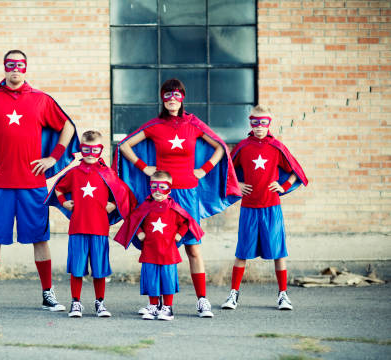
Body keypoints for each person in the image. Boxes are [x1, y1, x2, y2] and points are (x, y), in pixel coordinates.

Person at [0, 49, 79, 312]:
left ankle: (47, 293)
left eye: (20, 65)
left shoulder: (41, 100)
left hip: (33, 183)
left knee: (40, 239)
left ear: (26, 68)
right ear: (4, 68)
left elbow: (68, 126)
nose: (15, 69)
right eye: (11, 65)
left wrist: (53, 157)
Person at [113, 78, 241, 318]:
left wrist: (203, 170)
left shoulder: (193, 124)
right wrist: (143, 167)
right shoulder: (155, 125)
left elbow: (221, 147)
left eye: (177, 95)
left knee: (193, 248)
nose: (172, 99)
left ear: (183, 98)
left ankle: (202, 300)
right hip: (160, 196)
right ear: (162, 98)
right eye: (167, 95)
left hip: (188, 193)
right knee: (157, 247)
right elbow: (124, 146)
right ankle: (158, 304)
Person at [221, 105, 308, 311]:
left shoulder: (276, 147)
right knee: (242, 252)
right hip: (249, 208)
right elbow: (227, 171)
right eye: (255, 122)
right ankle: (233, 294)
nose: (259, 126)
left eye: (264, 122)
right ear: (250, 123)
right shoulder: (243, 146)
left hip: (271, 208)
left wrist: (284, 186)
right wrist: (237, 185)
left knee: (278, 252)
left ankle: (283, 295)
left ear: (269, 123)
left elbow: (296, 170)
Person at [45, 130, 135, 318]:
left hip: (100, 229)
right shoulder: (74, 173)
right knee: (77, 268)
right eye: (86, 149)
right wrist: (63, 202)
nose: (90, 154)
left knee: (99, 269)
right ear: (81, 150)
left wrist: (113, 204)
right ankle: (75, 302)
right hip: (78, 228)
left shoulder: (107, 173)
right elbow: (59, 189)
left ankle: (100, 303)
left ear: (100, 150)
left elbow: (122, 193)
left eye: (94, 150)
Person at [114, 171, 204, 320]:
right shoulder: (146, 206)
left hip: (169, 252)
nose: (158, 191)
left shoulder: (174, 207)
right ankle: (154, 306)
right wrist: (140, 232)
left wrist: (180, 234)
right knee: (151, 279)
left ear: (169, 189)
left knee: (167, 279)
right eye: (154, 186)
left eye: (162, 187)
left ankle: (167, 308)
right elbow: (134, 220)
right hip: (150, 251)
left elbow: (186, 222)